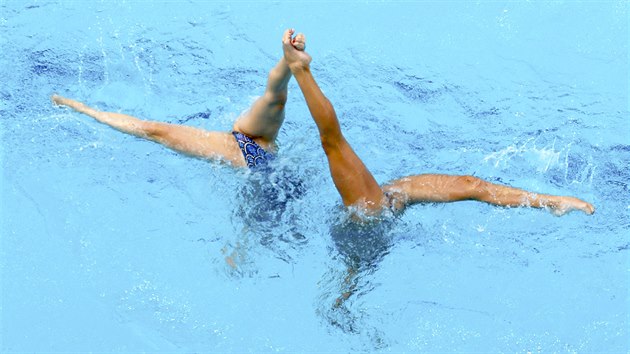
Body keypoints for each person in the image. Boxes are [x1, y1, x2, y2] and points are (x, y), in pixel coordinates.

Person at [280, 29, 595, 217]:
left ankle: (551, 203)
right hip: (378, 209)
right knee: (332, 142)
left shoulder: (378, 200)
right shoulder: (371, 207)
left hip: (384, 203)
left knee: (471, 185)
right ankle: (300, 70)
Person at [52, 34, 307, 170]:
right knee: (153, 130)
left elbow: (250, 213)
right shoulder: (245, 147)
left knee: (276, 101)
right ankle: (83, 109)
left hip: (253, 157)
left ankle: (289, 58)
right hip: (240, 151)